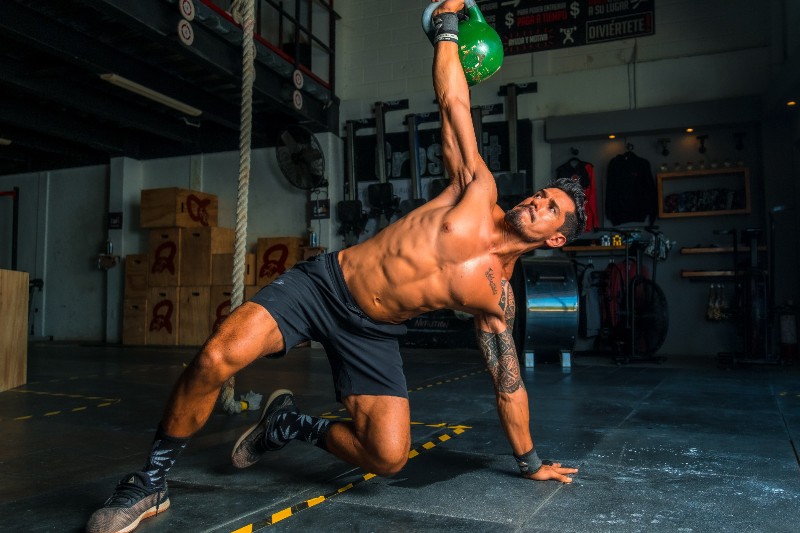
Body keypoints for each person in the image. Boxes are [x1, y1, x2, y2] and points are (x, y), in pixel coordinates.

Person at [86, 2, 585, 531]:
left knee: (389, 456)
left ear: (554, 237)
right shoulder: (476, 190)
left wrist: (529, 463)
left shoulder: (497, 296)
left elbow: (507, 382)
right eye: (539, 194)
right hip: (324, 286)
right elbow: (453, 99)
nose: (534, 202)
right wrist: (447, 25)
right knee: (216, 356)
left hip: (372, 333)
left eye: (549, 208)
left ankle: (289, 424)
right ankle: (150, 483)